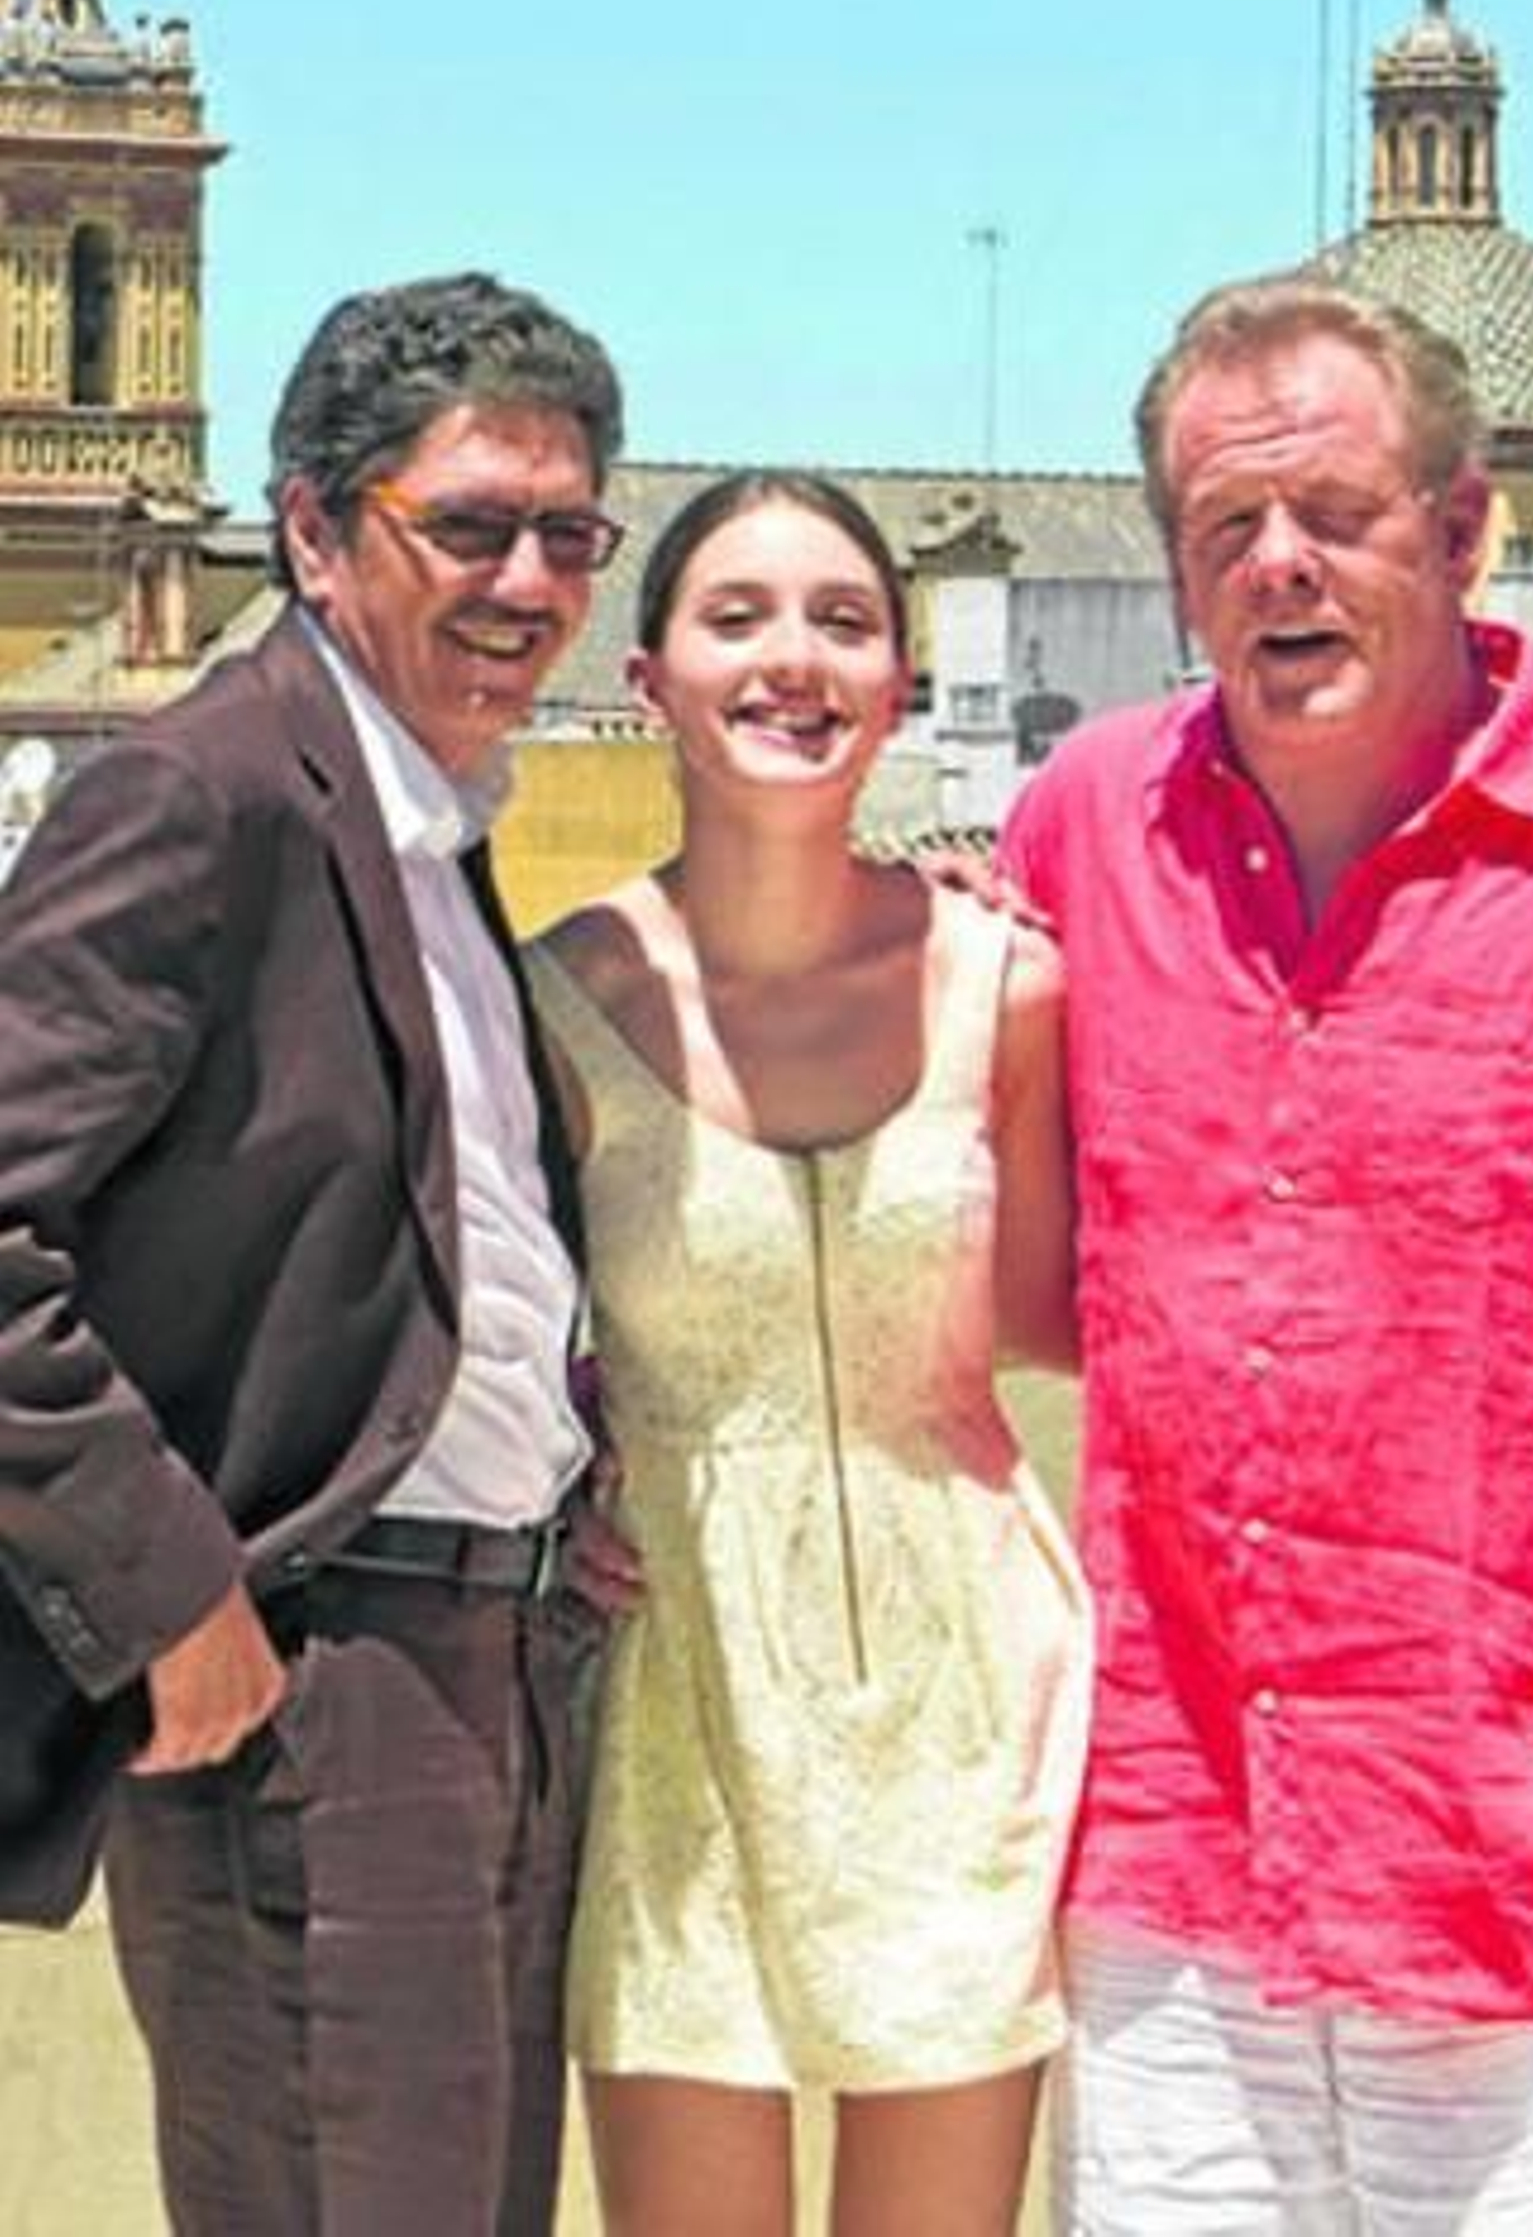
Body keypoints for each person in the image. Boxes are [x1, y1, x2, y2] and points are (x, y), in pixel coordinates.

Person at [0, 271, 627, 2235]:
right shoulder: (202, 792)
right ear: (311, 528)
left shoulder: (422, 821)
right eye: (468, 524)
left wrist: (565, 1471)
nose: (528, 577)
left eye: (569, 532)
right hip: (316, 1676)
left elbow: (409, 1240)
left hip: (497, 1663)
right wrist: (166, 1589)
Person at [998, 275, 1533, 2232]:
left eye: (1331, 514)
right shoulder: (1082, 828)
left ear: (1460, 527)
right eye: (1218, 529)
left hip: (1527, 1880)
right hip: (1176, 1876)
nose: (1275, 566)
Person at [523, 468, 1093, 2237]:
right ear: (651, 679)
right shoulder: (545, 1004)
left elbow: (1056, 1321)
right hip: (673, 1699)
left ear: (904, 684)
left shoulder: (1010, 982)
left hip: (957, 1686)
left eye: (845, 621)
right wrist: (576, 1481)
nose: (795, 658)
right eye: (739, 616)